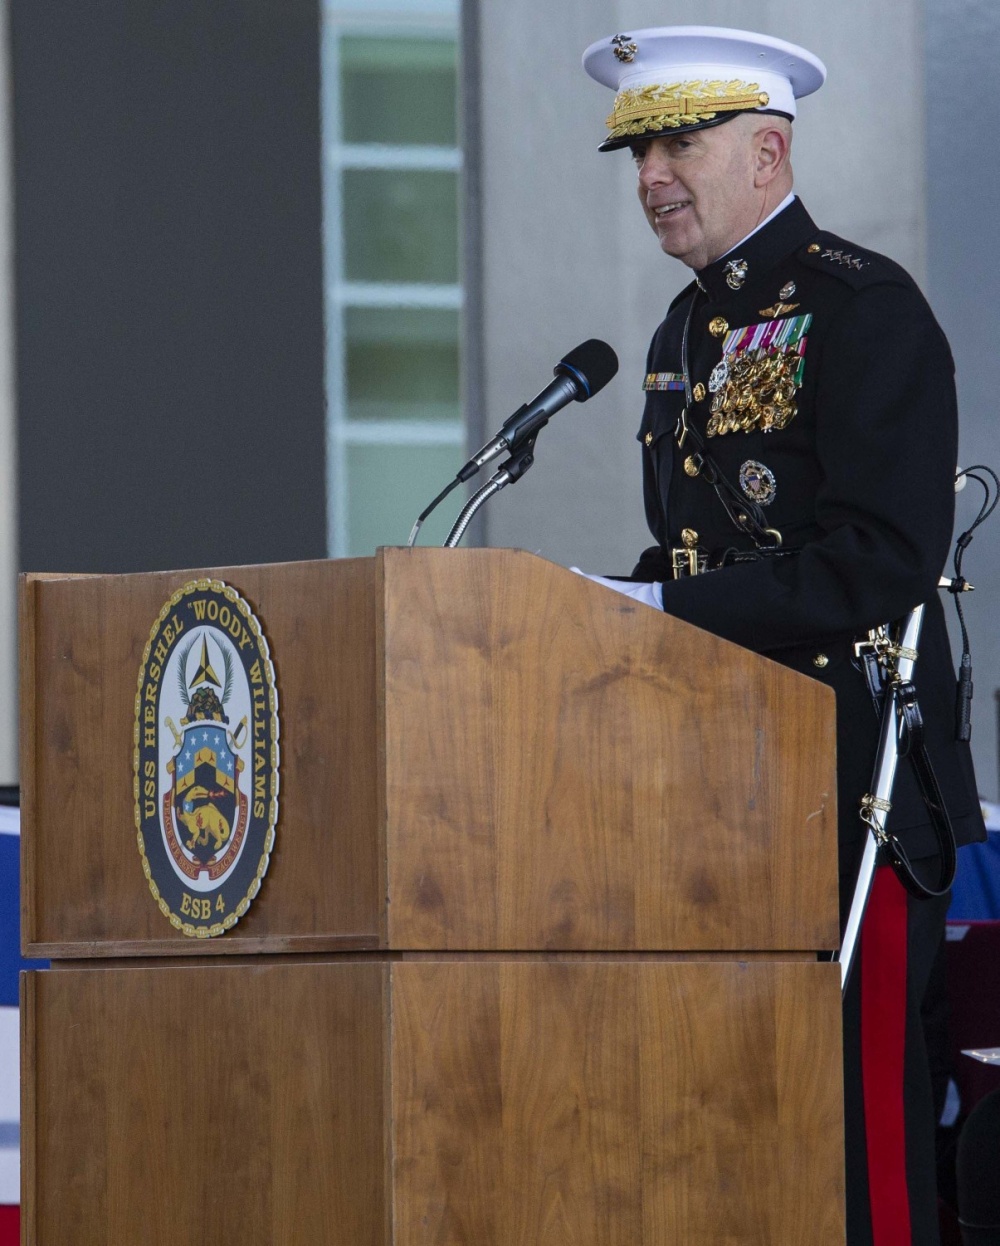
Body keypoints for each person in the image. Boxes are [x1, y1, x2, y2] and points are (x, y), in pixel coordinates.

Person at [581, 25, 987, 1246]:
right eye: (638, 151)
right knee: (727, 1116)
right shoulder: (680, 333)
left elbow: (879, 557)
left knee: (851, 1131)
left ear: (767, 152)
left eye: (678, 143)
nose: (652, 174)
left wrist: (664, 609)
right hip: (709, 787)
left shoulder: (861, 307)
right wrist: (596, 599)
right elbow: (699, 552)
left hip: (843, 782)